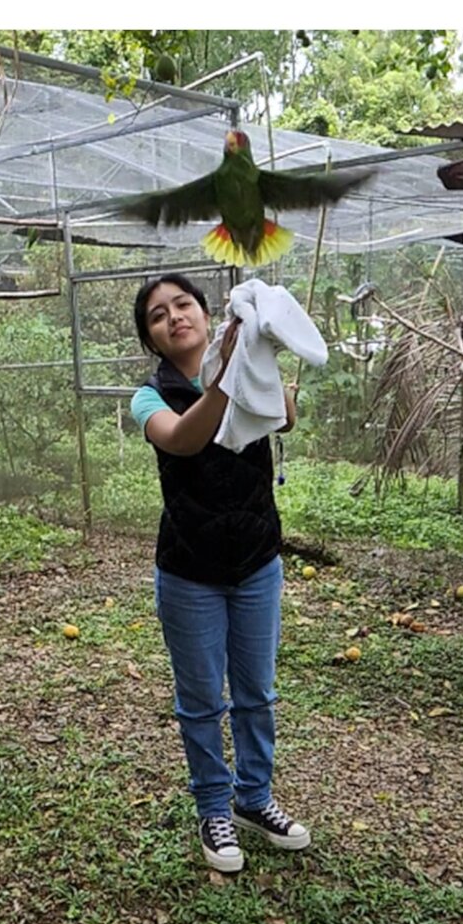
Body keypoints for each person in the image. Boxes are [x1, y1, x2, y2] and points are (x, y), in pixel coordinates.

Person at [130, 272, 311, 873]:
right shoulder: (149, 398)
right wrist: (229, 377)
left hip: (257, 559)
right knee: (203, 698)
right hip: (188, 570)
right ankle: (214, 805)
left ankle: (254, 799)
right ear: (152, 340)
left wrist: (263, 347)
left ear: (210, 318)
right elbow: (183, 440)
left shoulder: (243, 360)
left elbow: (284, 418)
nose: (174, 317)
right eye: (158, 315)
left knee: (257, 692)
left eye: (184, 305)